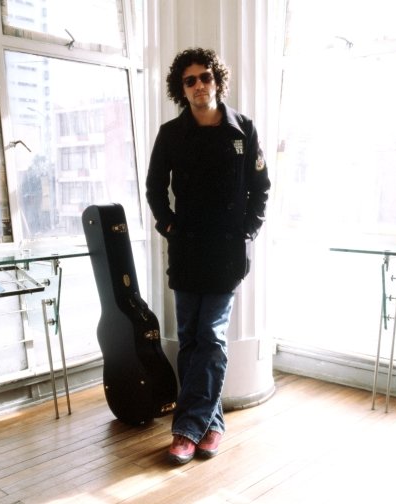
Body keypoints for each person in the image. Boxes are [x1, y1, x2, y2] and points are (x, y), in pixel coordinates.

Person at [146, 48, 271, 464]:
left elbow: (261, 188)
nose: (199, 85)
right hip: (186, 250)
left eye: (205, 77)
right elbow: (154, 189)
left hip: (226, 252)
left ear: (218, 80)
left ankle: (186, 429)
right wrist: (168, 226)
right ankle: (211, 424)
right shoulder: (170, 134)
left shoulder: (242, 130)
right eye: (190, 80)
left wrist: (248, 231)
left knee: (212, 336)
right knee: (191, 338)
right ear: (181, 89)